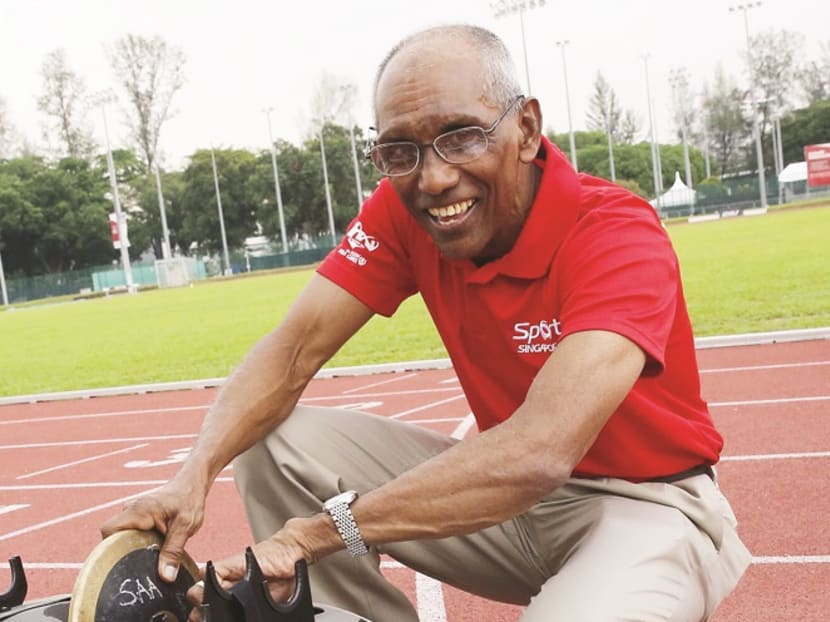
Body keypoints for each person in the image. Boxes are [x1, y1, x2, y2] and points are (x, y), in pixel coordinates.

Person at [102, 24, 751, 622]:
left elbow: (540, 450)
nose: (434, 177)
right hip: (507, 510)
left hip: (645, 506)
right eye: (400, 150)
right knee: (273, 438)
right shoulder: (401, 208)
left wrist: (312, 536)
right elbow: (292, 349)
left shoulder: (614, 233)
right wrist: (194, 475)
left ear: (526, 128)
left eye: (462, 136)